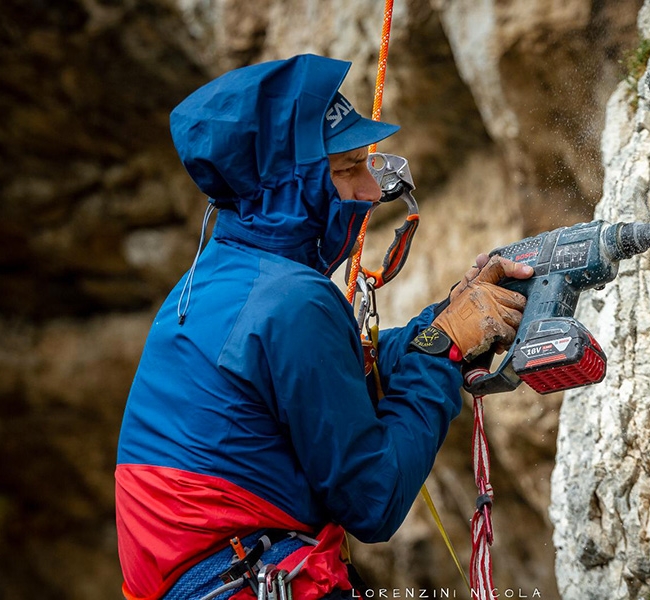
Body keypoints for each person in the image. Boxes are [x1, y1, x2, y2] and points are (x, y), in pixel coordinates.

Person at [114, 54, 532, 600]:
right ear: (288, 185)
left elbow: (324, 379)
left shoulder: (217, 279)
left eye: (366, 165)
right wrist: (443, 349)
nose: (367, 190)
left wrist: (443, 319)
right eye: (344, 169)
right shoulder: (291, 301)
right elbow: (373, 500)